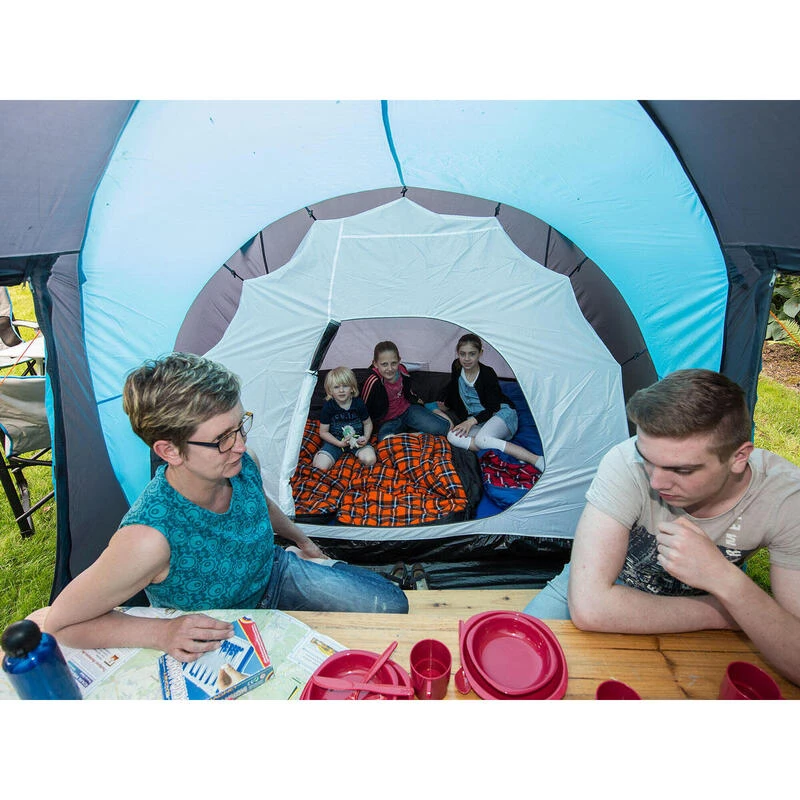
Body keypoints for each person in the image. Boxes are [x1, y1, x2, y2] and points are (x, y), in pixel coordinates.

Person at [44, 353, 408, 663]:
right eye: (221, 438)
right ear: (170, 451)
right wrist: (162, 632)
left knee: (393, 607)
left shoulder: (242, 462)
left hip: (273, 573)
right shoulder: (149, 538)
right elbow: (61, 623)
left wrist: (303, 541)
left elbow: (260, 504)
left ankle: (299, 561)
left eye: (240, 426)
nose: (240, 445)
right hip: (220, 625)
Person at [523, 368, 800, 685]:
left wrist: (724, 579)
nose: (656, 482)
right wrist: (724, 611)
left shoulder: (785, 499)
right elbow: (590, 606)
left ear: (739, 458)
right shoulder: (625, 463)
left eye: (681, 470)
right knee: (517, 663)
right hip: (615, 585)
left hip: (708, 594)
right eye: (647, 458)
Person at [437, 332, 544, 468]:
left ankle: (535, 459)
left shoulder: (488, 374)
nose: (467, 359)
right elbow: (453, 387)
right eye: (462, 354)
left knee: (481, 439)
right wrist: (446, 404)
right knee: (453, 436)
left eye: (472, 354)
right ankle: (503, 447)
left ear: (480, 353)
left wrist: (470, 422)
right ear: (458, 353)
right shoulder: (457, 366)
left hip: (499, 413)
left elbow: (493, 407)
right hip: (478, 420)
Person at [361, 340, 451, 440]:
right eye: (384, 364)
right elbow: (363, 406)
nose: (390, 368)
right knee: (384, 438)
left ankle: (430, 408)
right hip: (388, 420)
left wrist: (418, 402)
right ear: (375, 364)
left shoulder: (402, 370)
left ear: (399, 360)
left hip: (407, 410)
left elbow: (408, 391)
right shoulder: (372, 380)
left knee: (444, 428)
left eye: (394, 363)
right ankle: (415, 435)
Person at [313, 366, 376, 471]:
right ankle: (321, 455)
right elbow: (323, 432)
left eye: (345, 386)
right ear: (330, 390)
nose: (341, 390)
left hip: (356, 439)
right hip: (335, 442)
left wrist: (366, 437)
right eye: (336, 387)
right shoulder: (328, 407)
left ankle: (359, 466)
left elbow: (367, 423)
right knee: (320, 467)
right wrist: (339, 443)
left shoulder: (358, 403)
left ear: (352, 388)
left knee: (371, 460)